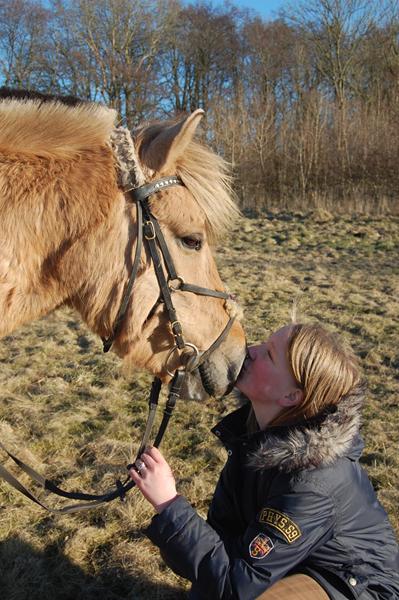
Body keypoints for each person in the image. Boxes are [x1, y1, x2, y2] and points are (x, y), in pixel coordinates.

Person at [129, 323, 399, 600]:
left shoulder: (311, 483)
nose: (250, 350)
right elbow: (223, 539)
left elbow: (234, 586)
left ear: (291, 396)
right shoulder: (253, 435)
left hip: (353, 585)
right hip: (295, 561)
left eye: (269, 354)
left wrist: (169, 505)